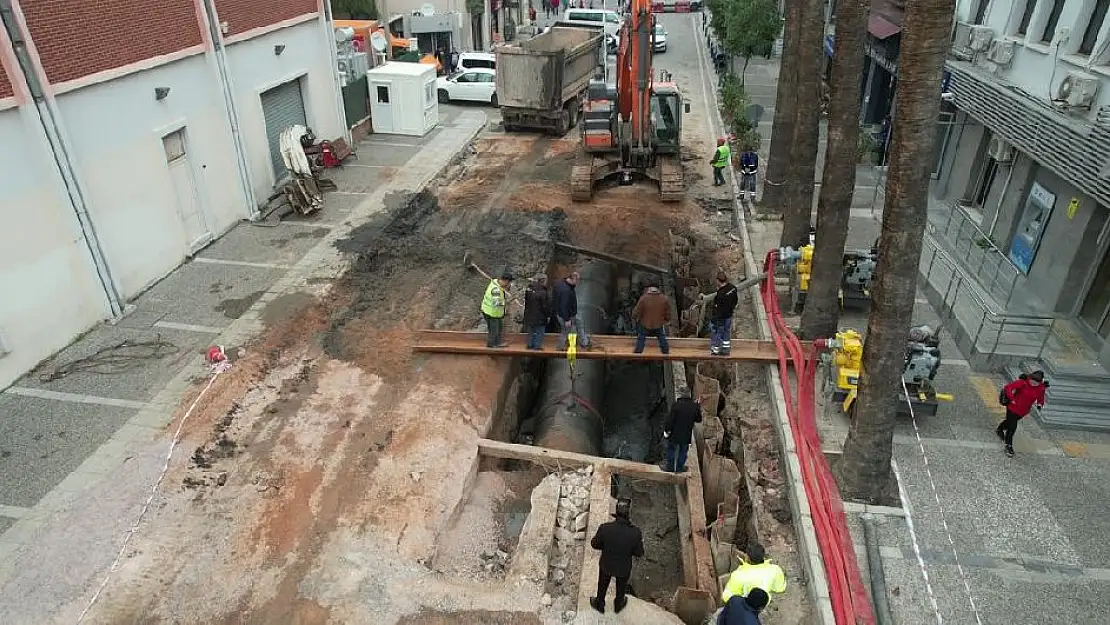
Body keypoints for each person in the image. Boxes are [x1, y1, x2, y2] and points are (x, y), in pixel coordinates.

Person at [589, 498, 644, 614]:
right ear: (628, 514)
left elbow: (594, 544)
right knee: (621, 587)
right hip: (623, 568)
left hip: (606, 564)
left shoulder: (605, 528)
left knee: (602, 584)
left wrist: (606, 547)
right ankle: (618, 604)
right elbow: (639, 553)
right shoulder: (635, 532)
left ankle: (599, 603)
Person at [997, 370, 1048, 457]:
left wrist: (1040, 404)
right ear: (1030, 377)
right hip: (1012, 408)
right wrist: (1011, 398)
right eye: (1032, 381)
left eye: (1036, 383)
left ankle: (999, 429)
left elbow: (1040, 397)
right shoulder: (1023, 382)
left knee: (1009, 422)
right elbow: (1008, 387)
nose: (1033, 383)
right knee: (1012, 427)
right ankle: (1008, 446)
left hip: (1023, 411)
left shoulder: (1041, 388)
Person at [721, 543, 786, 605]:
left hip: (746, 605)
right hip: (764, 602)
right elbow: (780, 588)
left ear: (747, 558)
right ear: (763, 556)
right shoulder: (775, 570)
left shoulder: (739, 575)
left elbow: (726, 597)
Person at [663, 394, 702, 472]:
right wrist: (698, 406)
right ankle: (680, 468)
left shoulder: (676, 405)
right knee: (683, 451)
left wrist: (667, 430)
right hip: (686, 435)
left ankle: (670, 467)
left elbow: (670, 421)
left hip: (675, 435)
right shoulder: (694, 406)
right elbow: (698, 419)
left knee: (671, 449)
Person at [554, 271, 592, 349]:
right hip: (566, 316)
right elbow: (564, 306)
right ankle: (560, 347)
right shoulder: (566, 291)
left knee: (579, 323)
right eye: (577, 281)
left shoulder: (562, 283)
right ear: (573, 279)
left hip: (571, 313)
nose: (577, 283)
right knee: (565, 331)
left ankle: (584, 342)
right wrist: (567, 319)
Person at [632, 282, 671, 354]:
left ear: (649, 289)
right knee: (661, 336)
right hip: (658, 324)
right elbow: (667, 312)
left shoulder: (643, 298)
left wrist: (634, 317)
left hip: (645, 324)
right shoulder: (664, 299)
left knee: (641, 336)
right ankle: (665, 351)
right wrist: (667, 319)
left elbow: (636, 311)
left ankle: (638, 352)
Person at [481, 271, 514, 348]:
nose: (508, 284)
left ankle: (497, 343)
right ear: (505, 281)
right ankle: (492, 345)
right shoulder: (495, 289)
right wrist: (508, 301)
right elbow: (497, 303)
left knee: (499, 328)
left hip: (493, 312)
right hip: (492, 313)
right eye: (508, 283)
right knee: (494, 330)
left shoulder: (495, 282)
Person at [710, 272, 739, 356]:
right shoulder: (733, 288)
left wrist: (714, 319)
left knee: (717, 332)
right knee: (726, 332)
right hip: (729, 315)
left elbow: (718, 308)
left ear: (718, 281)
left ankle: (715, 350)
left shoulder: (721, 294)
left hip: (721, 317)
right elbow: (735, 301)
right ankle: (726, 350)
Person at [523, 274, 552, 350]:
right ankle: (537, 346)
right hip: (540, 316)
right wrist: (548, 315)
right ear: (543, 281)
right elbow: (545, 306)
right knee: (540, 331)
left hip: (529, 314)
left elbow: (526, 301)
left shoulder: (529, 289)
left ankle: (529, 344)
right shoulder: (543, 292)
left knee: (531, 331)